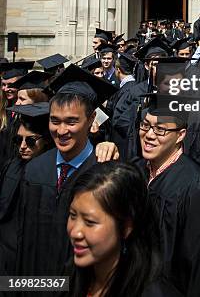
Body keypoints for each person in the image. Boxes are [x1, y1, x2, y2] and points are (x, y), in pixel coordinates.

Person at [16, 77, 119, 276]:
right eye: (55, 121)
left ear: (91, 120)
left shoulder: (103, 173)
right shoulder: (35, 169)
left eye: (71, 122)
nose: (61, 131)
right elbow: (23, 239)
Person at [134, 97, 200, 297]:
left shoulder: (196, 186)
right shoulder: (135, 171)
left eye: (160, 129)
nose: (149, 135)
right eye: (145, 126)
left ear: (181, 135)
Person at [67, 162, 182, 297]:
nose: (75, 232)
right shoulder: (71, 276)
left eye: (90, 222)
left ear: (126, 227)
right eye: (73, 215)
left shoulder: (152, 292)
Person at [0, 103, 53, 274]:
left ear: (46, 140)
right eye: (18, 139)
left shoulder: (52, 173)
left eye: (30, 140)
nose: (22, 146)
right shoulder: (11, 166)